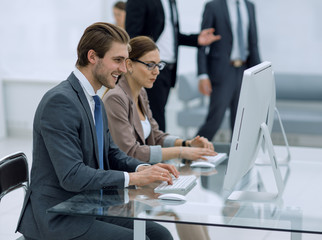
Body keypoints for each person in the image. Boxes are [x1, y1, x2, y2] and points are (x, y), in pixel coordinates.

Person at [16, 22, 178, 240]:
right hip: (60, 217)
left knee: (160, 234)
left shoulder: (93, 100)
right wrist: (132, 178)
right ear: (93, 57)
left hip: (88, 206)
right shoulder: (61, 102)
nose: (123, 69)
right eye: (117, 60)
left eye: (125, 61)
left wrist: (144, 169)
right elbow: (72, 176)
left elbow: (112, 153)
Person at [102, 36, 216, 164]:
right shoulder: (115, 99)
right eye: (150, 65)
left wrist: (187, 143)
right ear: (129, 65)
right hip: (127, 179)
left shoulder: (141, 93)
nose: (156, 71)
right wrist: (180, 151)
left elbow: (156, 136)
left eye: (158, 65)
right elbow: (131, 152)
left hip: (145, 172)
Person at [125, 0, 221, 131]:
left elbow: (171, 35)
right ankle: (159, 150)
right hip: (149, 68)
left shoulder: (171, 2)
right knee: (155, 120)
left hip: (167, 69)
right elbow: (132, 36)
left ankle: (159, 148)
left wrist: (196, 39)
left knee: (156, 118)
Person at [197, 0, 261, 141]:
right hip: (222, 71)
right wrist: (202, 75)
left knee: (241, 122)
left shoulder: (250, 7)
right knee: (215, 119)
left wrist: (259, 73)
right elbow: (202, 44)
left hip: (245, 71)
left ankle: (237, 159)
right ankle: (190, 153)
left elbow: (254, 43)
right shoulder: (213, 6)